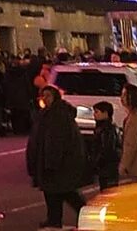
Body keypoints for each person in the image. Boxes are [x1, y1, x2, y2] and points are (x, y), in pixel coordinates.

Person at [26, 85, 88, 228]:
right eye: (43, 96)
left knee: (65, 191)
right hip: (49, 159)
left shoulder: (58, 114)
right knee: (53, 191)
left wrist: (51, 162)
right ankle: (54, 218)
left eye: (48, 96)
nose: (45, 99)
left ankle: (83, 214)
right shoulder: (46, 113)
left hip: (59, 161)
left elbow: (56, 141)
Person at [88, 102, 121, 190]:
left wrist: (96, 162)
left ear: (105, 113)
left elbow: (106, 149)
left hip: (107, 167)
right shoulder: (102, 128)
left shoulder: (106, 129)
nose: (94, 115)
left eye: (97, 112)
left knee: (107, 189)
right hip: (106, 167)